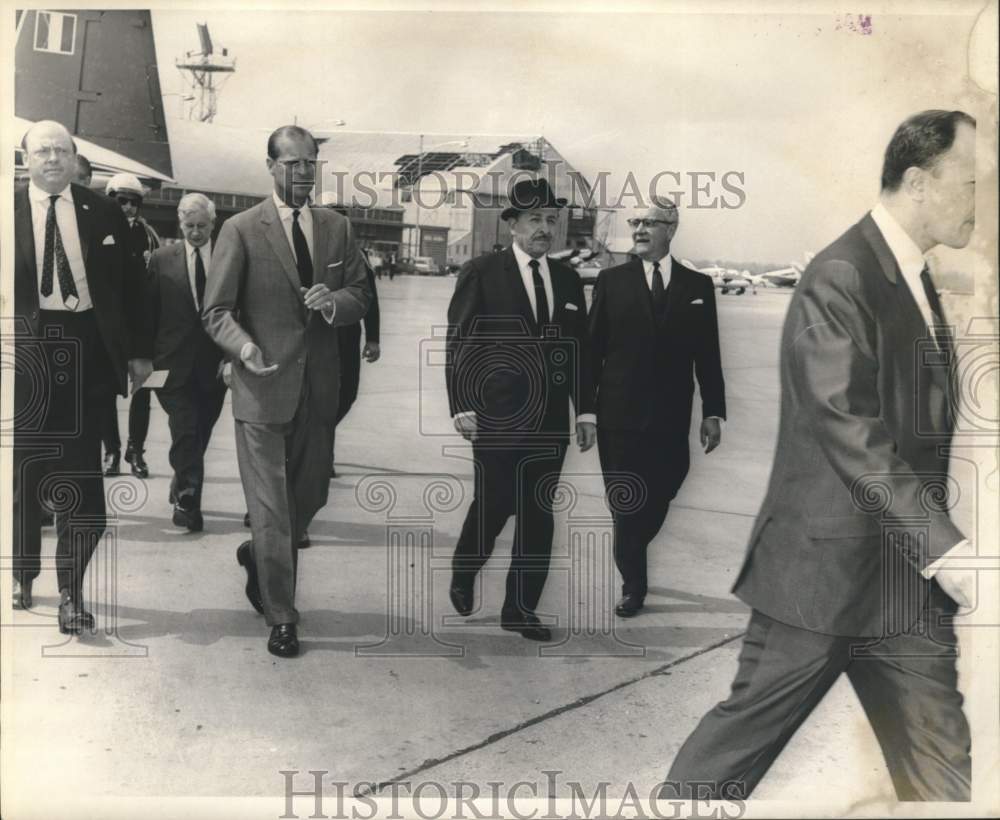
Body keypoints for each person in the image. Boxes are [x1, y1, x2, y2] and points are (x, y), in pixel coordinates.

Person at [663, 110, 977, 801]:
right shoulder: (843, 274)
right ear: (920, 182)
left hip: (902, 591)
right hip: (821, 578)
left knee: (945, 776)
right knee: (718, 771)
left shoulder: (913, 276)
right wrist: (949, 551)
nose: (982, 201)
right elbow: (848, 425)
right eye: (971, 182)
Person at [203, 125, 371, 658]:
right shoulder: (241, 229)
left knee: (307, 501)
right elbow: (216, 311)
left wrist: (333, 303)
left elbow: (361, 295)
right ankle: (282, 615)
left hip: (319, 392)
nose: (304, 172)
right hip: (262, 391)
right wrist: (244, 348)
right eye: (294, 163)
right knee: (273, 511)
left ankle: (259, 557)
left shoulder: (337, 228)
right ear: (271, 166)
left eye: (311, 163)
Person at [12, 120, 152, 630]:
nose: (52, 158)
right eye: (42, 150)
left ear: (74, 158)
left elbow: (135, 289)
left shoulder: (105, 211)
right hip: (23, 359)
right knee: (24, 475)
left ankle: (72, 591)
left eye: (61, 150)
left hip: (87, 355)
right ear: (26, 159)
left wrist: (139, 353)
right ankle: (22, 575)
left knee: (84, 485)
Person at [445, 177, 596, 642]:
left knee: (538, 514)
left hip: (550, 422)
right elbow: (459, 344)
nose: (545, 229)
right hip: (496, 416)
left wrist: (585, 411)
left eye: (552, 220)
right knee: (492, 507)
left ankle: (520, 608)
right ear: (513, 224)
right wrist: (461, 405)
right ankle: (465, 569)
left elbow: (579, 351)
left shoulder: (569, 279)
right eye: (535, 219)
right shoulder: (482, 272)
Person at [589, 198, 725, 618]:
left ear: (671, 228)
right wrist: (585, 412)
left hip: (670, 418)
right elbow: (590, 351)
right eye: (636, 222)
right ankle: (634, 585)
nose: (640, 229)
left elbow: (708, 354)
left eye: (650, 222)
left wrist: (713, 412)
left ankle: (630, 547)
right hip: (618, 416)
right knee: (626, 504)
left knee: (667, 486)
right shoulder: (611, 281)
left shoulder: (697, 286)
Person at [147, 193, 227, 532]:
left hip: (213, 365)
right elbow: (146, 312)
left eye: (202, 226)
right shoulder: (161, 259)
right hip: (170, 362)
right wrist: (143, 360)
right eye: (189, 226)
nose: (195, 232)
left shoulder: (228, 257)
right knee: (186, 426)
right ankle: (189, 500)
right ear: (180, 224)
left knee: (200, 431)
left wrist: (231, 355)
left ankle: (181, 481)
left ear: (213, 224)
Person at [101, 172, 161, 478]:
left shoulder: (148, 235)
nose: (127, 208)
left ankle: (135, 450)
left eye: (133, 203)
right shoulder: (96, 230)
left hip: (139, 324)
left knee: (142, 389)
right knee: (105, 390)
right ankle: (111, 449)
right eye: (121, 201)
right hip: (108, 325)